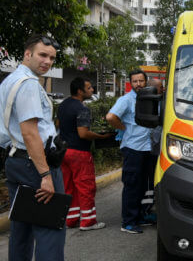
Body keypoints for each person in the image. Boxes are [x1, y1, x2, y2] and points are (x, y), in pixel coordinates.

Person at [0, 34, 82, 261]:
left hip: (16, 161)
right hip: (36, 166)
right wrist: (46, 175)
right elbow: (30, 133)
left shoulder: (9, 82)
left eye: (51, 58)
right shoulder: (28, 87)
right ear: (26, 54)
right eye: (42, 56)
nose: (46, 61)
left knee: (21, 234)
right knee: (49, 236)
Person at [57, 77, 113, 230]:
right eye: (89, 88)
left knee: (69, 187)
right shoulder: (82, 109)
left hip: (63, 152)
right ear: (80, 91)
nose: (92, 90)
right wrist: (101, 136)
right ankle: (88, 221)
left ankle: (71, 219)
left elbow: (58, 126)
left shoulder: (63, 105)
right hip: (79, 153)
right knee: (85, 186)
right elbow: (83, 133)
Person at [106, 69, 153, 234]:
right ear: (130, 83)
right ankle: (128, 222)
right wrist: (124, 128)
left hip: (146, 148)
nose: (138, 84)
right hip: (132, 148)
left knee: (142, 185)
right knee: (132, 185)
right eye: (135, 81)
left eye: (141, 81)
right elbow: (110, 117)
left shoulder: (148, 98)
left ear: (146, 81)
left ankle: (139, 216)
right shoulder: (126, 100)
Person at [141, 77, 165, 224]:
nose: (163, 89)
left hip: (158, 150)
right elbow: (154, 130)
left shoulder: (161, 102)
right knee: (149, 182)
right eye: (161, 87)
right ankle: (147, 211)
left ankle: (151, 208)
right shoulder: (151, 104)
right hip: (152, 151)